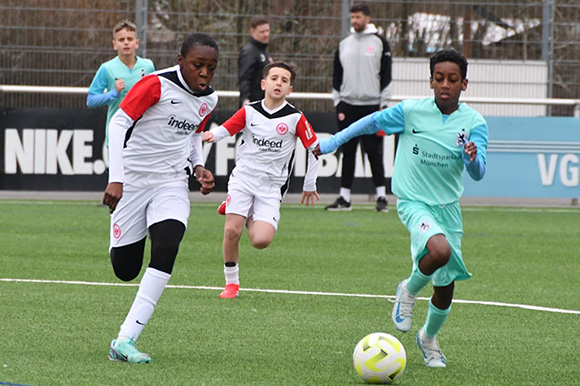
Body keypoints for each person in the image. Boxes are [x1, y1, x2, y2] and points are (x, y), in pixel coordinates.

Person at [314, 49, 488, 368]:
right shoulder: (410, 112)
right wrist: (333, 141)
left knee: (445, 287)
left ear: (465, 84)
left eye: (452, 79)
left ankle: (428, 339)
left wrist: (472, 158)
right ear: (431, 80)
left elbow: (479, 172)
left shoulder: (475, 122)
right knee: (439, 251)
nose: (444, 85)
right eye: (439, 79)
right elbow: (370, 122)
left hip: (448, 208)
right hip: (413, 201)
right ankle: (407, 290)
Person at [102, 32, 219, 363]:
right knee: (125, 270)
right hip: (133, 183)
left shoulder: (208, 99)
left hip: (172, 182)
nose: (205, 74)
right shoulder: (155, 84)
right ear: (181, 61)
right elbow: (118, 123)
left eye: (212, 67)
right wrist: (117, 179)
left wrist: (198, 166)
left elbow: (195, 134)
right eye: (198, 65)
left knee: (167, 246)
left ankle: (124, 340)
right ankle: (117, 238)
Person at [202, 61, 320, 299]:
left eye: (284, 80)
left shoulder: (295, 118)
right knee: (232, 231)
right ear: (264, 84)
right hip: (243, 180)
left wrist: (310, 183)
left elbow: (316, 147)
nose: (279, 83)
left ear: (290, 90)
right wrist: (211, 135)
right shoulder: (250, 111)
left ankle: (245, 212)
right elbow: (227, 128)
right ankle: (231, 283)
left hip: (271, 187)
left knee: (261, 241)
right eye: (274, 78)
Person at [326, 3, 392, 212]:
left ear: (368, 18)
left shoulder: (381, 43)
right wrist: (338, 101)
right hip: (347, 105)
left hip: (372, 105)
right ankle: (344, 198)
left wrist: (383, 104)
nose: (355, 21)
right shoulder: (344, 43)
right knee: (348, 152)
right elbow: (336, 75)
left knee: (374, 152)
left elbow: (387, 75)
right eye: (353, 17)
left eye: (359, 17)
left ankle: (381, 197)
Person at [87, 20, 155, 148]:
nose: (126, 42)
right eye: (121, 39)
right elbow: (91, 100)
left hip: (144, 134)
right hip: (118, 133)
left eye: (130, 39)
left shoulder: (148, 66)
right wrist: (113, 93)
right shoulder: (107, 68)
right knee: (116, 168)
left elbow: (157, 95)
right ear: (115, 45)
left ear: (137, 43)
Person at [238, 17, 273, 107]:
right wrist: (245, 99)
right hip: (253, 103)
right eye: (262, 32)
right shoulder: (249, 52)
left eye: (268, 31)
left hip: (263, 102)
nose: (266, 34)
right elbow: (244, 77)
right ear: (252, 32)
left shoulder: (263, 51)